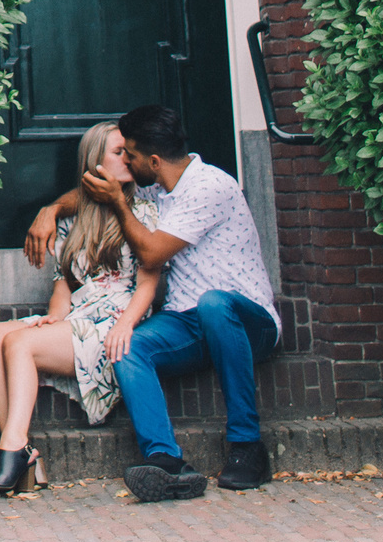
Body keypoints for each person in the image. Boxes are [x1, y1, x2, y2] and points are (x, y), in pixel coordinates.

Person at [22, 103, 280, 501]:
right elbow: (93, 191)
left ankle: (248, 446)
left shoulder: (210, 185)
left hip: (249, 322)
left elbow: (153, 255)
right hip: (188, 321)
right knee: (129, 346)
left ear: (154, 161)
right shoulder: (156, 187)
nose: (124, 160)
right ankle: (165, 461)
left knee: (213, 303)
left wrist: (120, 204)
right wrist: (51, 209)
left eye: (130, 155)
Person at [0, 122, 163, 495]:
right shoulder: (74, 219)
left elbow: (149, 283)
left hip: (118, 322)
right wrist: (54, 318)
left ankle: (11, 451)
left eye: (130, 151)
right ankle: (20, 447)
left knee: (20, 344)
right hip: (80, 314)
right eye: (117, 152)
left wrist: (126, 325)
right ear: (94, 162)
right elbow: (64, 283)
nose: (128, 158)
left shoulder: (146, 211)